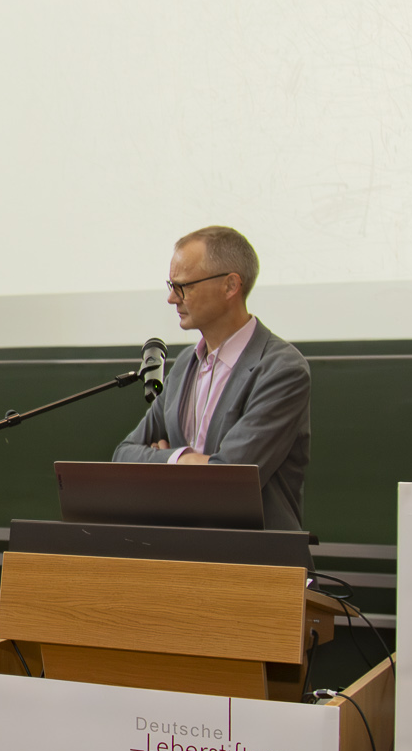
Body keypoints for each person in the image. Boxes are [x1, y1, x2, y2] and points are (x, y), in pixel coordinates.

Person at [113, 225, 313, 531]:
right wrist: (182, 459)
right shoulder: (184, 364)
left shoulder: (281, 369)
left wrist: (160, 461)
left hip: (254, 554)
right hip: (180, 548)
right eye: (171, 285)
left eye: (183, 286)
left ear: (230, 286)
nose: (171, 298)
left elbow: (229, 479)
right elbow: (123, 455)